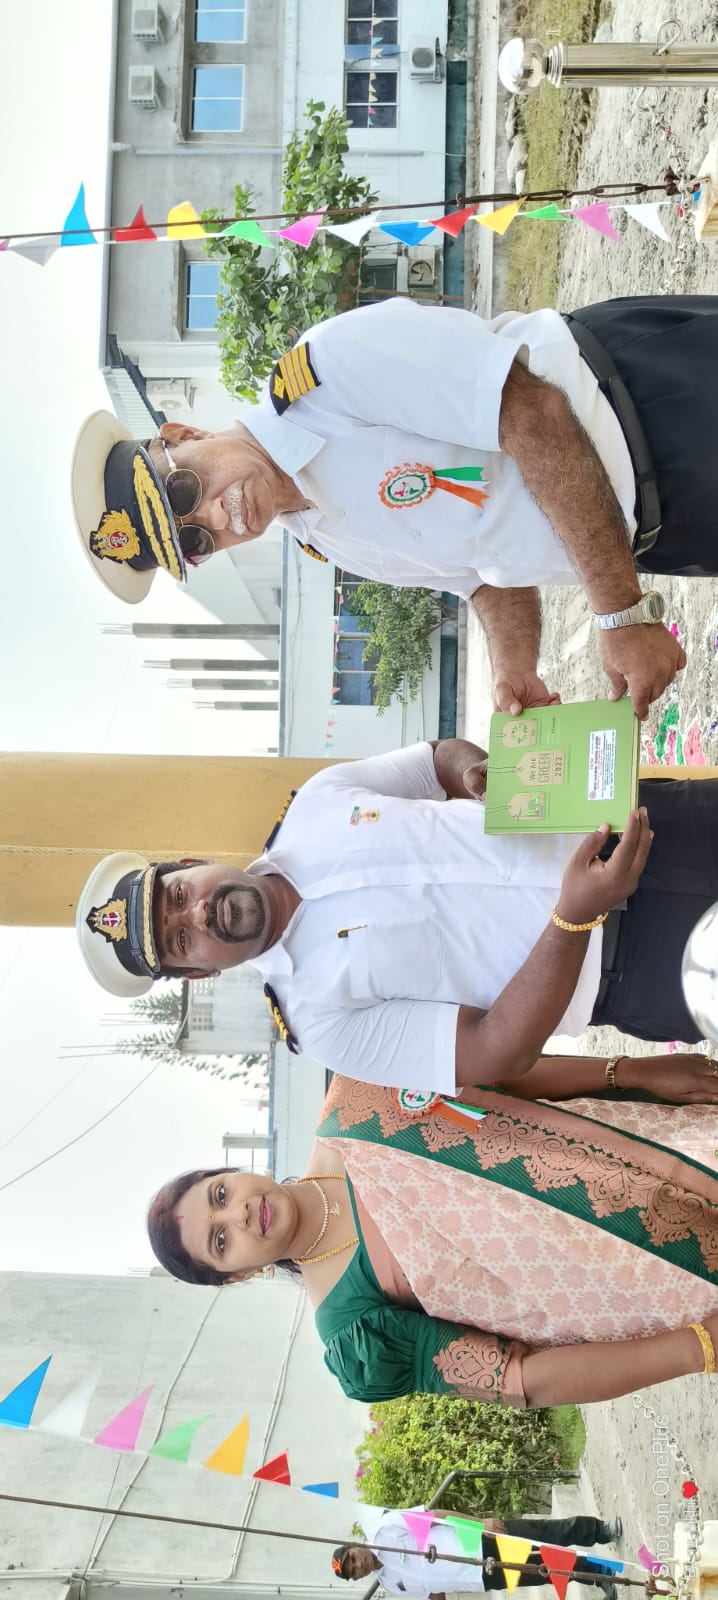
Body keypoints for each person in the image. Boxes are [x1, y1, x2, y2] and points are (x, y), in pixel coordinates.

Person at [71, 294, 718, 715]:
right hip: (660, 533)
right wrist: (514, 668)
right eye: (194, 542)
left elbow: (533, 415)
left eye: (183, 492)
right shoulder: (322, 540)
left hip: (656, 405)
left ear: (184, 436)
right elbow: (483, 580)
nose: (215, 517)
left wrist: (620, 614)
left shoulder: (325, 374)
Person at [76, 740, 718, 1081]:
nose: (198, 915)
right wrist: (574, 919)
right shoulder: (320, 1022)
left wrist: (473, 771)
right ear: (199, 976)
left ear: (188, 863)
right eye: (181, 942)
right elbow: (493, 1054)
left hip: (641, 827)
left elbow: (433, 760)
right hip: (638, 969)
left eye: (177, 895)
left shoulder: (316, 803)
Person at [145, 1073, 718, 1412]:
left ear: (229, 1173)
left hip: (674, 1152)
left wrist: (630, 1073)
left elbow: (502, 1078)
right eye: (221, 1242)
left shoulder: (356, 1101)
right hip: (674, 1285)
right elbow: (522, 1379)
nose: (241, 1215)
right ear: (238, 1277)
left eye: (220, 1195)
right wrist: (698, 1348)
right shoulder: (356, 1333)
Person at [332, 1507, 622, 1597]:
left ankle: (600, 1530)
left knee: (546, 1536)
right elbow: (433, 1593)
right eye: (354, 1571)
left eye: (353, 1558)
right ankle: (599, 1574)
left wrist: (479, 1523)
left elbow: (436, 1516)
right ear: (357, 1578)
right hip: (481, 1577)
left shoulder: (387, 1528)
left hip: (480, 1541)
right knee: (544, 1572)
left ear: (355, 1545)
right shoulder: (390, 1584)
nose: (359, 1565)